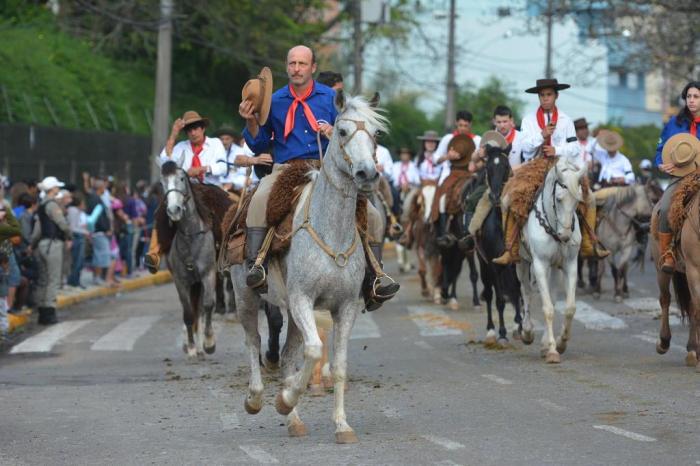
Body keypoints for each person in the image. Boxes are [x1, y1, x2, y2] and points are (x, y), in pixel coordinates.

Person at [239, 45, 398, 309]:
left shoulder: (331, 98)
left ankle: (375, 278)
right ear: (286, 67)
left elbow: (350, 134)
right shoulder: (274, 100)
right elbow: (258, 145)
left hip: (326, 170)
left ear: (313, 68)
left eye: (302, 64)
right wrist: (251, 122)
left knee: (373, 215)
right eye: (292, 64)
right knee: (258, 201)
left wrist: (332, 132)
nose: (297, 69)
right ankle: (257, 266)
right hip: (286, 169)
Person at [493, 78, 610, 264]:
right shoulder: (528, 120)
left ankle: (589, 244)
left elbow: (574, 148)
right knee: (508, 199)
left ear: (556, 96)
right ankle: (511, 249)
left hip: (561, 165)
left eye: (549, 95)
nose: (545, 98)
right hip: (534, 167)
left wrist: (557, 150)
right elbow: (525, 148)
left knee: (590, 198)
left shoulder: (565, 120)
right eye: (542, 95)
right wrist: (542, 136)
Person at [144, 110, 226, 273]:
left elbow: (223, 167)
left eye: (196, 128)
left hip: (211, 188)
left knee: (231, 208)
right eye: (189, 129)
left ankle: (231, 253)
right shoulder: (181, 146)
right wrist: (174, 134)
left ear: (203, 129)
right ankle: (154, 253)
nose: (193, 132)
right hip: (187, 190)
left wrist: (202, 169)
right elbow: (165, 162)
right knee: (162, 209)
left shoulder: (215, 143)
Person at [655, 80, 700, 273]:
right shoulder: (674, 122)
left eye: (696, 96)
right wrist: (661, 164)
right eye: (688, 97)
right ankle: (668, 253)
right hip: (680, 177)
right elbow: (660, 148)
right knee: (665, 207)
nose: (691, 100)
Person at [31, 176, 73, 325]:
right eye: (57, 187)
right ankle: (49, 312)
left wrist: (32, 245)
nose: (58, 189)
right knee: (54, 279)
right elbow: (62, 224)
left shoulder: (41, 206)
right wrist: (69, 235)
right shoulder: (53, 205)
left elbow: (37, 230)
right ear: (53, 189)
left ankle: (42, 311)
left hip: (42, 245)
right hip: (53, 245)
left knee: (43, 279)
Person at [214, 126, 271, 191]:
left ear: (232, 139)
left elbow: (246, 175)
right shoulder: (214, 151)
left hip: (236, 186)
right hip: (218, 184)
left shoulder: (240, 151)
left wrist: (233, 183)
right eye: (222, 139)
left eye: (227, 139)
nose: (224, 142)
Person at [434, 110, 482, 185]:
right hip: (449, 173)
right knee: (440, 191)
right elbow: (435, 159)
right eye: (460, 125)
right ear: (456, 123)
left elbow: (484, 161)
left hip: (470, 174)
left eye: (466, 126)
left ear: (470, 125)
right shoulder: (448, 138)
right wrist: (447, 157)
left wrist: (475, 163)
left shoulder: (477, 140)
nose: (463, 128)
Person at [66, 191, 88, 288]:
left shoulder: (77, 211)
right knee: (77, 261)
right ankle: (73, 281)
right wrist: (85, 232)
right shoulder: (73, 210)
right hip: (77, 237)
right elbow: (73, 228)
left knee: (79, 261)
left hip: (79, 237)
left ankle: (76, 280)